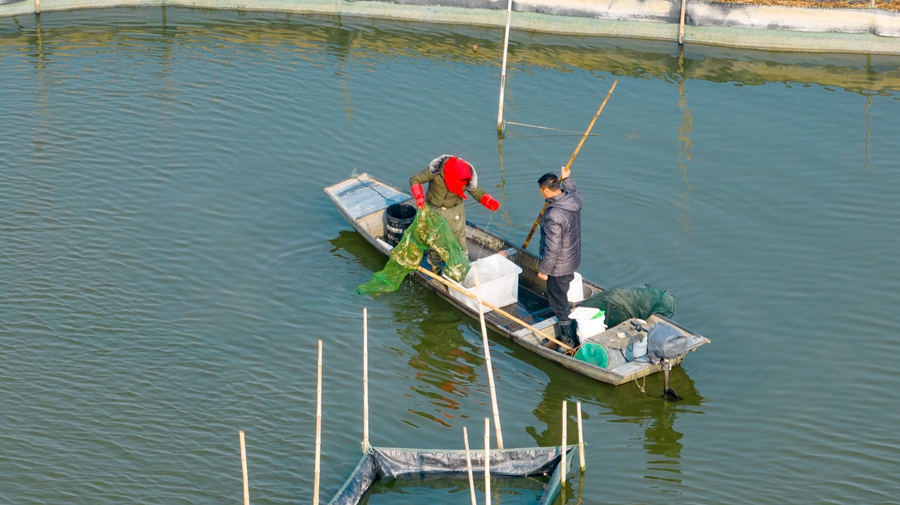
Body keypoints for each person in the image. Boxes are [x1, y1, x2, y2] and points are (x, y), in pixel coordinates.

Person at [410, 155, 500, 271]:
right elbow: (415, 179)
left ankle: (462, 269)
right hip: (434, 211)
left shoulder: (466, 177)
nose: (462, 186)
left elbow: (477, 192)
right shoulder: (436, 171)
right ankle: (435, 269)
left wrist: (488, 200)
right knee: (435, 242)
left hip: (454, 213)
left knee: (459, 242)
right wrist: (419, 197)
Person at [536, 165, 583, 347]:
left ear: (546, 190)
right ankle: (570, 329)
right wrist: (567, 178)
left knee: (558, 303)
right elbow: (573, 190)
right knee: (562, 293)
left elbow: (553, 249)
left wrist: (544, 270)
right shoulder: (574, 200)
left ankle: (568, 342)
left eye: (541, 191)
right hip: (572, 260)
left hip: (559, 266)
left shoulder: (553, 216)